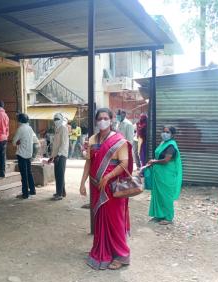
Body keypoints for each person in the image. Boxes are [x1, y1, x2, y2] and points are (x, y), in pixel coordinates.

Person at [79, 108, 133, 270]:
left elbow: (124, 163)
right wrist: (82, 183)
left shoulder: (119, 140)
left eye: (105, 118)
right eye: (99, 118)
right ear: (96, 121)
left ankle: (122, 255)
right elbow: (89, 162)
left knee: (115, 221)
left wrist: (108, 177)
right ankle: (104, 249)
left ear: (111, 120)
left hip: (112, 187)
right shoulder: (93, 139)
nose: (102, 121)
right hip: (96, 186)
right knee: (101, 220)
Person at [146, 126, 182, 225]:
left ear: (172, 134)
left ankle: (168, 217)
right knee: (157, 195)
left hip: (167, 175)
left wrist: (154, 161)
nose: (164, 134)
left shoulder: (171, 146)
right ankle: (158, 215)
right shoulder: (163, 143)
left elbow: (166, 160)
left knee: (166, 196)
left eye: (167, 132)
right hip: (159, 175)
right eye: (164, 131)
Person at [12, 113, 39, 199]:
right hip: (29, 154)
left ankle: (25, 194)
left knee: (24, 175)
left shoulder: (20, 129)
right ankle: (32, 190)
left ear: (20, 120)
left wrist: (18, 142)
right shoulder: (30, 128)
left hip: (21, 154)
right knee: (29, 173)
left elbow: (13, 142)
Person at [49, 113, 69, 201]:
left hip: (61, 155)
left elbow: (64, 143)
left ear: (61, 119)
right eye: (54, 119)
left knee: (59, 175)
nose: (55, 121)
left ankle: (59, 194)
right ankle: (62, 192)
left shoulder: (63, 129)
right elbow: (55, 145)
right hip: (57, 155)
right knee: (58, 174)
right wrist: (52, 156)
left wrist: (59, 155)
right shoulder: (57, 129)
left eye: (57, 119)